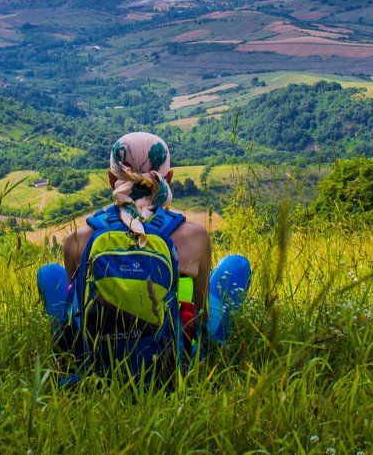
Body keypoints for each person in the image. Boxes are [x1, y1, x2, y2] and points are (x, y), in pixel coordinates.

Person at [37, 132, 251, 379]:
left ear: (111, 179)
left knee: (49, 274)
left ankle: (66, 354)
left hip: (97, 364)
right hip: (166, 365)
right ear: (168, 179)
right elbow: (199, 311)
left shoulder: (78, 240)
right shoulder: (196, 237)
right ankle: (211, 353)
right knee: (236, 265)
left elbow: (78, 304)